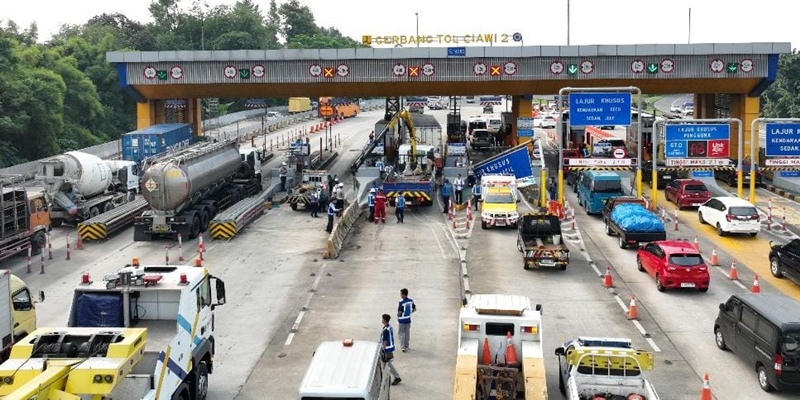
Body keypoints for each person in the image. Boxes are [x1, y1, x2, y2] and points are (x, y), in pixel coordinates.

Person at [380, 314, 402, 386]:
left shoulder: (385, 330)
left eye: (382, 319)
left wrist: (383, 349)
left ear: (384, 320)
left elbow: (385, 341)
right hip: (390, 348)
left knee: (388, 364)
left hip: (387, 349)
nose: (382, 320)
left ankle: (397, 377)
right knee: (387, 364)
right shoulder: (389, 328)